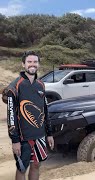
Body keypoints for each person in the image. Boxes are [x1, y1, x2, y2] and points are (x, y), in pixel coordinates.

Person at [6, 51, 54, 180]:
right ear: (23, 64)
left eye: (35, 62)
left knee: (36, 165)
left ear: (38, 64)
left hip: (40, 135)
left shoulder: (41, 85)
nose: (32, 64)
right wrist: (15, 140)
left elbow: (45, 110)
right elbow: (11, 115)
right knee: (22, 168)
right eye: (29, 62)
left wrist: (49, 133)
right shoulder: (14, 86)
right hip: (23, 138)